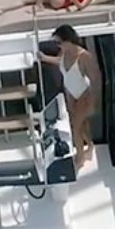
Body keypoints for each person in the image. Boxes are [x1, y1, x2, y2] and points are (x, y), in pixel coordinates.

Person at [38, 24, 99, 170]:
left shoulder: (84, 57)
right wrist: (44, 58)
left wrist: (92, 102)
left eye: (59, 42)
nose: (57, 45)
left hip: (84, 96)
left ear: (68, 41)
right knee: (82, 125)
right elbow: (59, 62)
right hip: (71, 94)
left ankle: (80, 158)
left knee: (75, 127)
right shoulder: (64, 53)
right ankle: (90, 146)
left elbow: (95, 80)